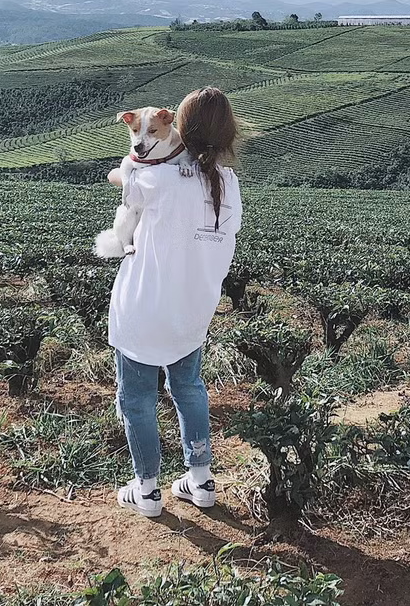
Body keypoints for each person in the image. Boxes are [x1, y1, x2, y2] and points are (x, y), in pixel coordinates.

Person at [107, 86, 242, 518]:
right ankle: (200, 481)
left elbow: (119, 176)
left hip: (144, 310)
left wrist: (130, 169)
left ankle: (147, 490)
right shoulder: (229, 184)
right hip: (193, 312)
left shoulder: (156, 178)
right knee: (188, 388)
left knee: (138, 399)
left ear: (178, 129)